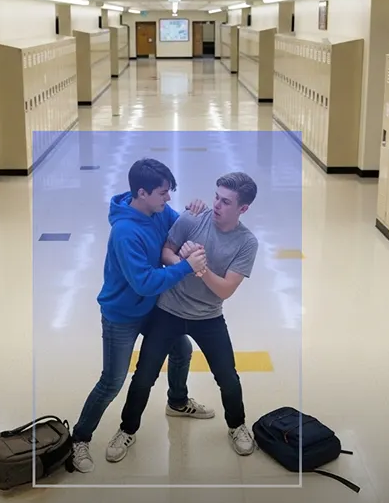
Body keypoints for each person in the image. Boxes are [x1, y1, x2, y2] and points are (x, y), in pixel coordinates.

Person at [71, 158, 215, 473]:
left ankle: (178, 402)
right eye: (163, 193)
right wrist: (185, 267)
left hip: (152, 307)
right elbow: (145, 281)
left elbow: (185, 226)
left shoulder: (159, 212)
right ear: (142, 192)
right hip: (122, 314)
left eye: (170, 192)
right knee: (112, 381)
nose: (168, 199)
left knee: (181, 349)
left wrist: (198, 210)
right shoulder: (125, 232)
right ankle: (79, 438)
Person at [106, 170, 259, 464]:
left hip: (209, 316)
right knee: (144, 375)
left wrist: (199, 269)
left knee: (227, 376)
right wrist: (183, 262)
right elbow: (166, 251)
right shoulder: (191, 219)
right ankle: (127, 429)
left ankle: (237, 426)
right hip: (169, 310)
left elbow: (225, 289)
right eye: (216, 197)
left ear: (243, 209)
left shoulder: (247, 243)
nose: (216, 205)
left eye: (226, 202)